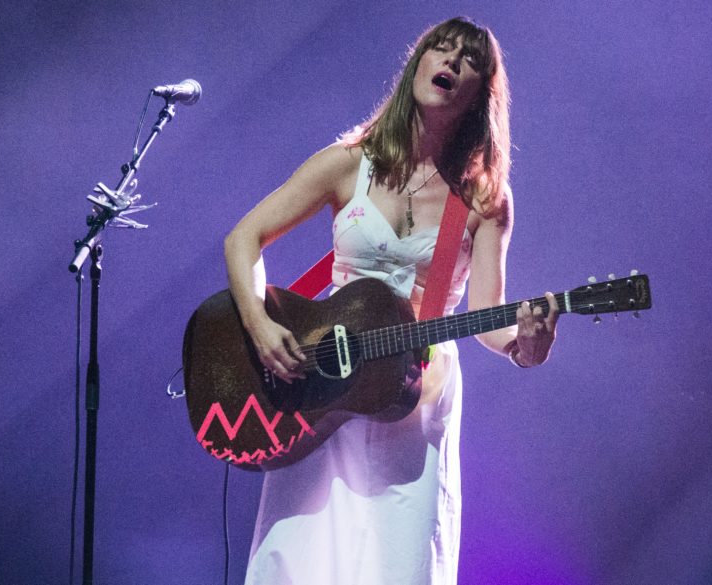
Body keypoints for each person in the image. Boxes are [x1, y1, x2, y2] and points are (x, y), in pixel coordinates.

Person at [223, 16, 559, 585]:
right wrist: (259, 325)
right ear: (417, 63)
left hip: (415, 400)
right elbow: (243, 239)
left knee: (396, 566)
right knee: (298, 559)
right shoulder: (349, 162)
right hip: (324, 382)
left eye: (469, 60)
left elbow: (490, 318)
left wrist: (528, 344)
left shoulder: (482, 201)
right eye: (441, 49)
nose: (451, 62)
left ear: (481, 93)